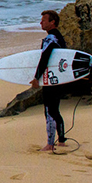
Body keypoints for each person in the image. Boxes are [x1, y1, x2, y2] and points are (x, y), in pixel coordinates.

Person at [29, 9, 68, 152]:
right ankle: (62, 140)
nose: (41, 22)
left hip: (50, 80)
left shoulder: (50, 38)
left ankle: (50, 144)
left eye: (44, 20)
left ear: (52, 22)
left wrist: (36, 78)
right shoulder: (59, 37)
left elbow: (44, 59)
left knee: (49, 111)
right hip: (59, 79)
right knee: (55, 110)